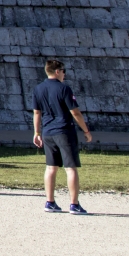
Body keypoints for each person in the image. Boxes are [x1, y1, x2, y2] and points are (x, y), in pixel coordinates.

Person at [31, 58, 94, 214]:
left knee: (51, 168)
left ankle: (50, 201)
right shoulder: (64, 89)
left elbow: (36, 112)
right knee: (70, 168)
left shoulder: (38, 89)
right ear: (57, 71)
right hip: (64, 131)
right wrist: (86, 130)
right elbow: (75, 112)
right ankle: (74, 204)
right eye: (63, 71)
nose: (64, 74)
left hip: (47, 132)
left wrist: (36, 132)